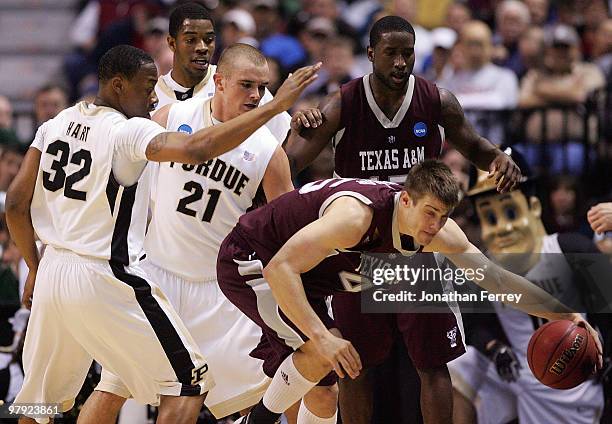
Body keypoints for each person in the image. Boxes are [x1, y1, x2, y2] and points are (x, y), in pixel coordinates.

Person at [5, 44, 319, 424]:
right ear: (119, 86)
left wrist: (34, 267)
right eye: (148, 85)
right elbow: (198, 148)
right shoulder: (131, 130)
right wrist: (274, 108)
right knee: (189, 381)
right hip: (108, 274)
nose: (155, 95)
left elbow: (16, 205)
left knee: (40, 402)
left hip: (55, 269)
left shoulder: (55, 123)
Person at [216, 160, 601, 424]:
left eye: (444, 216)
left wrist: (565, 315)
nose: (435, 225)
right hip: (253, 258)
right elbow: (280, 267)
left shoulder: (439, 234)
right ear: (405, 199)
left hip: (311, 272)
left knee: (325, 388)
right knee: (325, 348)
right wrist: (319, 335)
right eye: (430, 213)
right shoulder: (355, 217)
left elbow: (499, 282)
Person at [284, 15, 521, 424]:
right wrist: (295, 125)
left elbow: (474, 144)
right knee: (353, 364)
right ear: (371, 54)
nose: (399, 62)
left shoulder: (436, 100)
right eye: (390, 53)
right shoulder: (343, 102)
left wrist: (498, 159)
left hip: (417, 247)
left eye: (407, 53)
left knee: (431, 363)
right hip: (358, 248)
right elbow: (288, 163)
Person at [91, 43, 297, 421]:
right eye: (246, 85)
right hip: (156, 277)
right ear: (218, 82)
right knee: (114, 385)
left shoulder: (269, 151)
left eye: (262, 88)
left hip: (218, 290)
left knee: (273, 384)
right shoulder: (172, 115)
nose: (255, 96)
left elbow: (288, 230)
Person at [448, 150, 604, 424]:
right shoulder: (484, 266)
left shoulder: (571, 248)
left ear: (533, 206)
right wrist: (494, 347)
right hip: (522, 371)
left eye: (509, 209)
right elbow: (474, 324)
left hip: (580, 369)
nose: (503, 227)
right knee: (457, 364)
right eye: (490, 214)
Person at [154, 2, 290, 144]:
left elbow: (285, 140)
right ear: (171, 43)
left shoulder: (241, 82)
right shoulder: (152, 95)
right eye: (191, 40)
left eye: (209, 40)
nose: (202, 48)